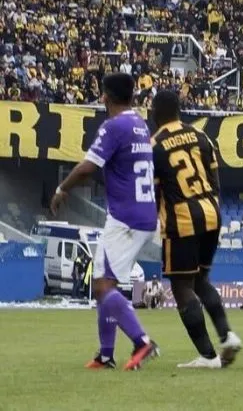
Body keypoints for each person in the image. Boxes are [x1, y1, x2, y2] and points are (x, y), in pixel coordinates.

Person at [49, 73, 160, 371]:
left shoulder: (114, 125)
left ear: (105, 97)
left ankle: (142, 341)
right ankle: (106, 355)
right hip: (144, 213)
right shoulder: (139, 124)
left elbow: (88, 167)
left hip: (125, 217)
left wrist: (62, 189)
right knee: (105, 285)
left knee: (101, 286)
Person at [150, 89, 243, 369]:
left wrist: (156, 221)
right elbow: (215, 179)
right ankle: (227, 336)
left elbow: (155, 192)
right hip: (212, 214)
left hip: (182, 219)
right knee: (200, 280)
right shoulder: (202, 137)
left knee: (181, 286)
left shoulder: (154, 145)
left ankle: (207, 355)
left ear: (155, 114)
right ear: (179, 111)